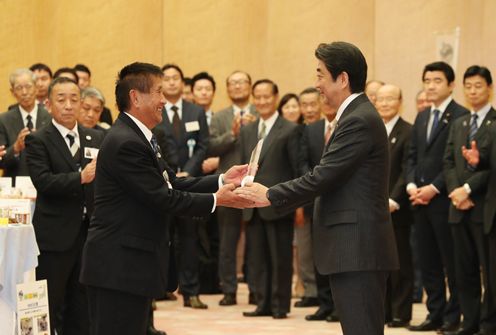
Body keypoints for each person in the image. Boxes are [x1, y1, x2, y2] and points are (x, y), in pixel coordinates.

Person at [236, 41, 399, 335]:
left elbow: (324, 175)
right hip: (353, 246)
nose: (317, 85)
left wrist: (270, 194)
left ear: (343, 78)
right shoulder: (355, 116)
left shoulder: (359, 119)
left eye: (321, 75)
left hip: (357, 246)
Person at [79, 62, 248, 335]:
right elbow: (164, 198)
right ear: (135, 97)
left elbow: (174, 181)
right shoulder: (126, 142)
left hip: (131, 266)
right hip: (118, 267)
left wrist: (222, 179)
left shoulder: (141, 136)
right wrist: (218, 200)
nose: (164, 100)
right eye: (158, 92)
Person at [25, 76, 105, 334]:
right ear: (48, 104)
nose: (69, 105)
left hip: (89, 234)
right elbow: (43, 182)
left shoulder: (95, 137)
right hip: (54, 236)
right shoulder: (38, 139)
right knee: (51, 302)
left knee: (82, 303)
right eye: (61, 100)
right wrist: (79, 177)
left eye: (74, 99)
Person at [406, 61, 468, 332]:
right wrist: (411, 185)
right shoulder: (422, 116)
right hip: (419, 200)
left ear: (451, 84)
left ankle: (453, 317)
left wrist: (434, 188)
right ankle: (435, 313)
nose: (430, 86)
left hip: (444, 200)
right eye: (427, 80)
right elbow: (412, 156)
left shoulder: (460, 115)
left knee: (450, 262)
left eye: (437, 81)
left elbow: (455, 162)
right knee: (428, 261)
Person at [443, 65, 496, 335]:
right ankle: (470, 321)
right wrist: (456, 191)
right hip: (458, 207)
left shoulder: (494, 123)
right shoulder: (459, 123)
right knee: (463, 270)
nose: (473, 91)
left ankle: (489, 323)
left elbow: (490, 168)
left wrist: (467, 189)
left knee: (489, 271)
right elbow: (449, 161)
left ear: (490, 88)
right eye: (469, 86)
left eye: (478, 86)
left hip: (483, 207)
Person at [240, 79, 299, 319]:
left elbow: (297, 170)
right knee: (257, 258)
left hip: (278, 203)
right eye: (258, 97)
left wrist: (295, 203)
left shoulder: (291, 129)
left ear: (275, 98)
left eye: (267, 97)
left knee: (280, 257)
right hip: (252, 205)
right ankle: (262, 302)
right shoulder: (247, 131)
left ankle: (279, 306)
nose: (262, 101)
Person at [153, 63, 210, 309]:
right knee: (159, 237)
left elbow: (203, 146)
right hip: (160, 183)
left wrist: (190, 171)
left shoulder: (195, 111)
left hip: (188, 183)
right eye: (167, 78)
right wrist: (166, 172)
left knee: (189, 239)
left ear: (183, 83)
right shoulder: (154, 109)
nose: (172, 82)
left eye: (176, 78)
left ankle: (191, 292)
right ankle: (156, 290)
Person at [208, 70, 257, 306]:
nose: (237, 86)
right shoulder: (219, 117)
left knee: (256, 241)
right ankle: (228, 289)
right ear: (227, 88)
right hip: (229, 185)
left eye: (242, 82)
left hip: (256, 184)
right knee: (227, 241)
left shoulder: (260, 113)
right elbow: (211, 146)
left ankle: (256, 289)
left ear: (250, 86)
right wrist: (233, 134)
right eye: (233, 83)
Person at [376, 84, 414, 328]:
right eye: (381, 99)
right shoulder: (373, 130)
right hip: (374, 208)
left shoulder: (408, 131)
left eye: (390, 99)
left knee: (400, 262)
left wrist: (394, 198)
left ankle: (401, 311)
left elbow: (407, 169)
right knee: (380, 264)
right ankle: (385, 311)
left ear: (400, 101)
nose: (385, 103)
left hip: (397, 208)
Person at [299, 94, 338, 322]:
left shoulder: (346, 127)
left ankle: (338, 306)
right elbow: (302, 162)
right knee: (319, 253)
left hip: (339, 198)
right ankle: (324, 303)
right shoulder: (312, 129)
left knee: (337, 254)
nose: (326, 102)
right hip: (314, 199)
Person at [0, 68, 51, 185]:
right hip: (15, 187)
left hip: (46, 184)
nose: (24, 92)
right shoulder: (3, 120)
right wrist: (16, 148)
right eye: (19, 88)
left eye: (28, 86)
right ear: (12, 92)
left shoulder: (50, 117)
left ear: (36, 88)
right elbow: (1, 161)